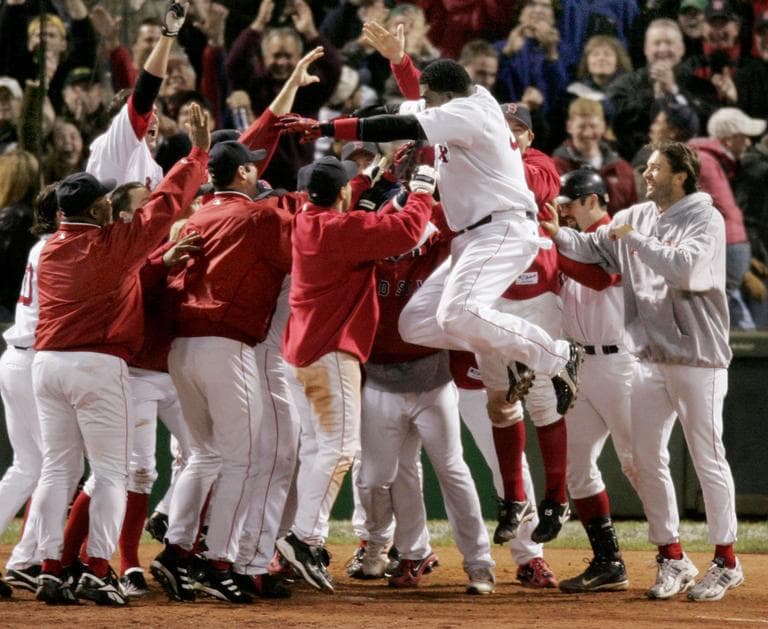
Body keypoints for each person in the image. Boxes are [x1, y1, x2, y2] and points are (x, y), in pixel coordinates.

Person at [279, 53, 583, 441]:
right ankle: (509, 350)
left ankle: (556, 355)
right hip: (472, 234)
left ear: (447, 95)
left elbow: (399, 122)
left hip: (501, 228)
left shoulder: (470, 112)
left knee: (458, 313)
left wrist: (326, 128)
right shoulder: (455, 102)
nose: (424, 103)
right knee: (416, 322)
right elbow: (392, 108)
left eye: (429, 97)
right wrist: (342, 116)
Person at [28, 102, 210, 607]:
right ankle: (97, 567)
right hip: (98, 365)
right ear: (92, 211)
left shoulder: (49, 250)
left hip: (48, 366)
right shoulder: (111, 245)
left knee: (55, 470)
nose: (113, 205)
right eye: (104, 202)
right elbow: (168, 203)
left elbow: (123, 274)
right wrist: (197, 151)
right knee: (112, 472)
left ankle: (48, 568)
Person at [544, 140, 743, 602]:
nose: (645, 173)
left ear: (681, 175)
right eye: (646, 166)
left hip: (699, 357)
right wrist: (558, 234)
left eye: (655, 168)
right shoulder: (638, 215)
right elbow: (595, 248)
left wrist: (629, 236)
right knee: (647, 459)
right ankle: (671, 556)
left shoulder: (705, 218)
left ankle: (726, 560)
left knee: (707, 456)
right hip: (651, 356)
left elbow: (687, 270)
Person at [275, 156, 434, 593]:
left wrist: (372, 178)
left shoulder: (305, 217)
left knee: (315, 451)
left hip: (299, 353)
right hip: (328, 354)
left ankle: (303, 539)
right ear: (341, 194)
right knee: (340, 450)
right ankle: (303, 539)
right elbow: (405, 230)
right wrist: (421, 190)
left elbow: (351, 213)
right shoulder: (341, 230)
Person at [151, 139, 293, 605]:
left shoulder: (195, 217)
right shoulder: (259, 217)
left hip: (181, 348)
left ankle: (176, 550)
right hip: (223, 344)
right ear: (246, 175)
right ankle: (217, 562)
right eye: (253, 168)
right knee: (241, 459)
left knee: (205, 454)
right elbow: (309, 238)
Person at [549, 168, 639, 593]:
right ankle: (609, 562)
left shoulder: (617, 233)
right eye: (561, 205)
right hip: (583, 362)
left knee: (639, 465)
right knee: (577, 467)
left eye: (571, 204)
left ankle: (671, 556)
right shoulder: (567, 243)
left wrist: (551, 247)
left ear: (594, 199)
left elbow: (602, 278)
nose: (564, 212)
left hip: (622, 363)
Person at [0, 183, 59, 598]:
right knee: (50, 465)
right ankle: (29, 555)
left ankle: (26, 556)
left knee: (30, 467)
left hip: (19, 357)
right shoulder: (58, 246)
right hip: (32, 359)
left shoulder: (44, 245)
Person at [688, 107, 764, 330]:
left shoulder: (711, 161)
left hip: (728, 249)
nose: (749, 143)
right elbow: (722, 211)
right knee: (715, 309)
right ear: (729, 140)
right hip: (724, 248)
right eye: (744, 137)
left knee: (724, 307)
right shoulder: (705, 161)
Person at [607, 18, 718, 161]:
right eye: (657, 43)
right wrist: (654, 97)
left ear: (681, 49)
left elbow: (709, 121)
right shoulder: (625, 84)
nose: (663, 49)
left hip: (690, 162)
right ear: (646, 49)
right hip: (636, 161)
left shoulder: (700, 85)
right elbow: (615, 118)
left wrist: (674, 91)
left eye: (669, 43)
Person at [552, 97, 637, 217]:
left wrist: (617, 234)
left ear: (603, 126)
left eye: (593, 126)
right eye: (581, 127)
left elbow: (633, 216)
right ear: (569, 127)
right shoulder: (555, 168)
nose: (587, 133)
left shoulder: (622, 169)